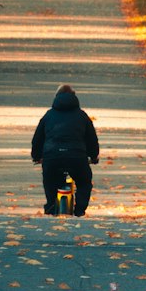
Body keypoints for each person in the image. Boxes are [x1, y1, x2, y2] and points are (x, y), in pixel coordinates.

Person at [31, 83, 100, 216]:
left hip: (52, 157)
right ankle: (79, 210)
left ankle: (51, 206)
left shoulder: (49, 115)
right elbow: (92, 138)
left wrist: (36, 156)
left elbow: (38, 138)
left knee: (50, 180)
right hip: (77, 157)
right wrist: (94, 156)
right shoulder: (82, 116)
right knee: (84, 182)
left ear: (56, 97)